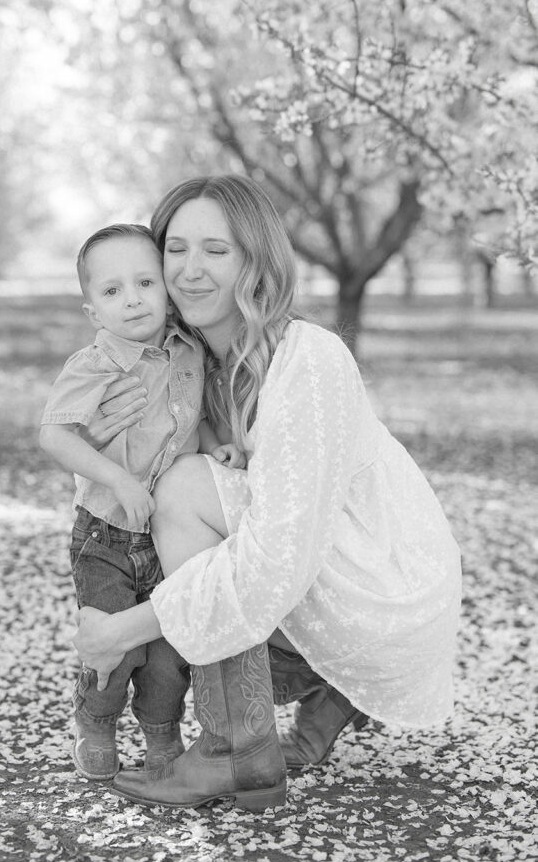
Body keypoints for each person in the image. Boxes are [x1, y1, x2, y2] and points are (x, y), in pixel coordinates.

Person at [72, 176, 462, 811]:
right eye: (175, 249)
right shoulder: (192, 363)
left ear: (255, 261)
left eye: (216, 251)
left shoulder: (309, 360)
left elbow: (276, 561)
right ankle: (320, 693)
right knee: (169, 502)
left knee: (186, 488)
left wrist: (123, 630)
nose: (189, 271)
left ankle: (235, 748)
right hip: (318, 575)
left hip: (387, 592)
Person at [40, 223, 245, 782]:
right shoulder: (95, 365)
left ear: (164, 286)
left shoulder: (187, 351)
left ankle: (162, 734)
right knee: (116, 647)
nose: (132, 299)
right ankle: (96, 722)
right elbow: (54, 435)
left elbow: (190, 416)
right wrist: (121, 480)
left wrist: (214, 447)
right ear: (93, 312)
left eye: (144, 282)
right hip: (106, 533)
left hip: (166, 532)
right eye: (112, 291)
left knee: (167, 653)